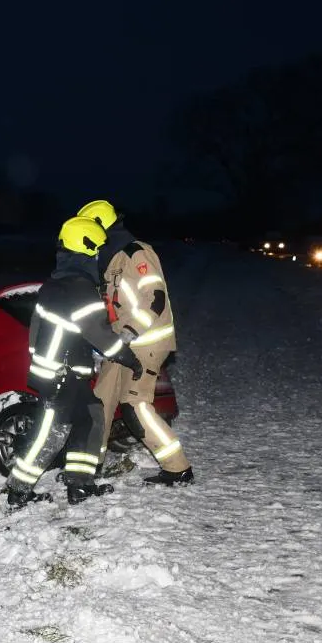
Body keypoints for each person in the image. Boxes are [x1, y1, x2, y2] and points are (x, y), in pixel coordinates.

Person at [7, 215, 145, 507]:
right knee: (50, 434)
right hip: (61, 374)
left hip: (61, 372)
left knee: (91, 417)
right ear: (85, 248)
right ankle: (18, 490)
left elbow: (37, 329)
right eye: (96, 250)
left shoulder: (56, 285)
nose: (99, 256)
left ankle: (79, 484)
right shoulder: (79, 290)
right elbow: (100, 335)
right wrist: (129, 358)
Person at [79, 199, 194, 487]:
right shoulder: (111, 260)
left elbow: (155, 299)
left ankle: (178, 468)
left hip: (145, 343)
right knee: (100, 401)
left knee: (135, 405)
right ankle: (89, 467)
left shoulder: (137, 253)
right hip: (121, 346)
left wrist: (130, 331)